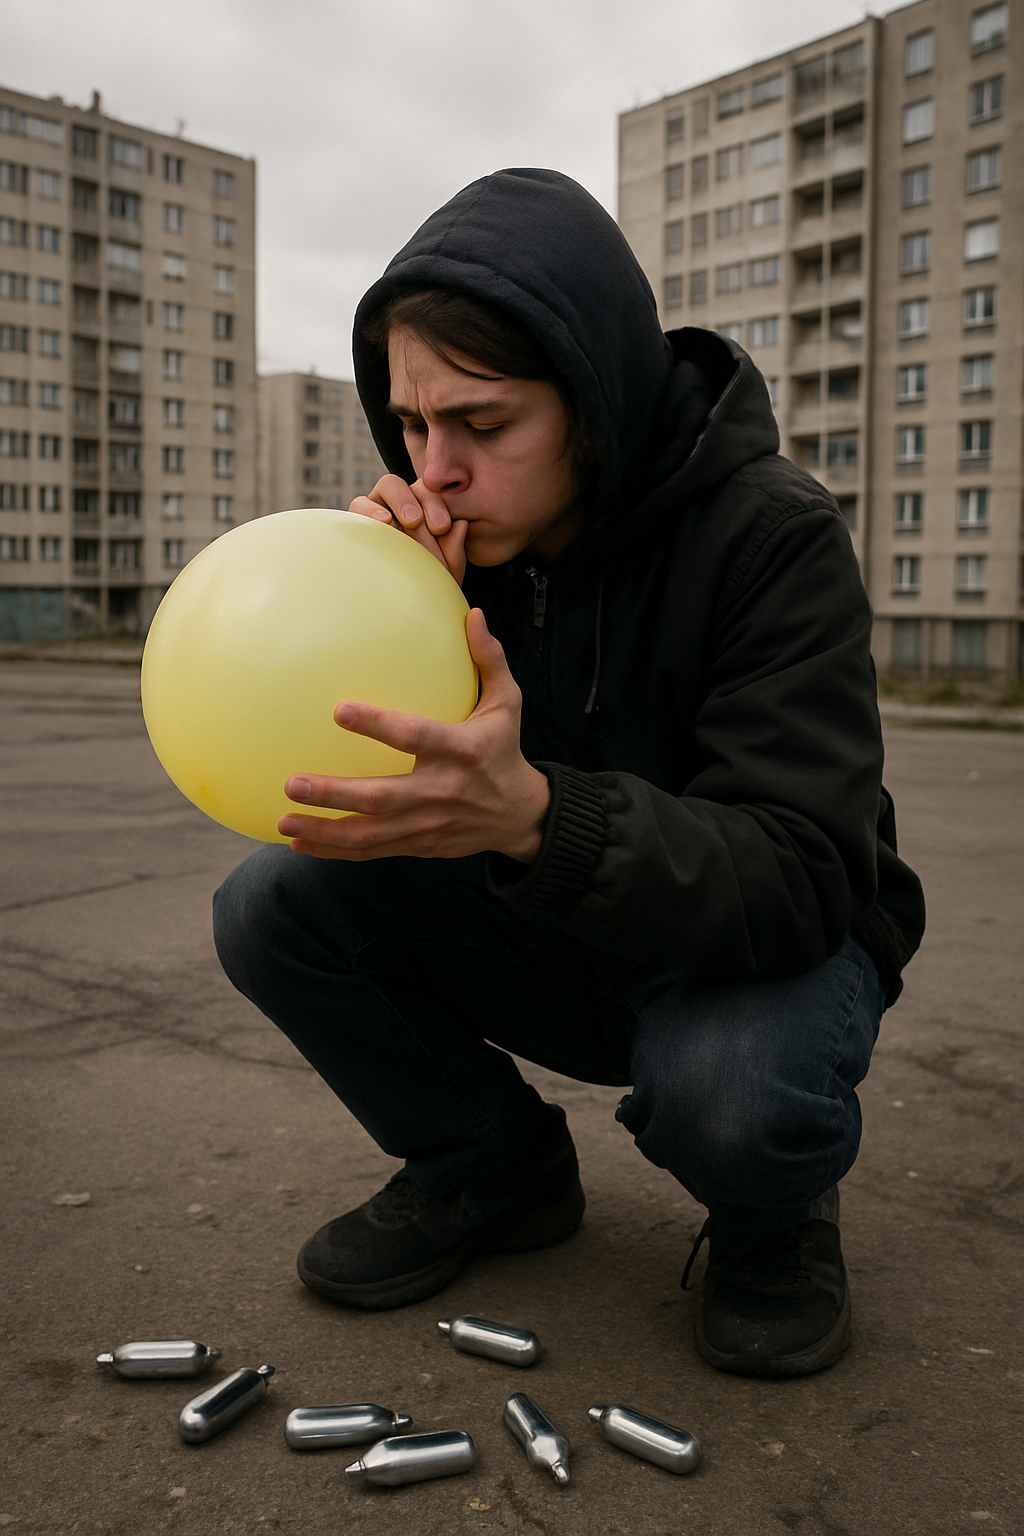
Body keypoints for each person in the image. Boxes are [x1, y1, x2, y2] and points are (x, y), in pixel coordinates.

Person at [213, 168, 924, 1378]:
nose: (433, 469)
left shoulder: (771, 535)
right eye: (411, 425)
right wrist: (384, 617)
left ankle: (772, 1218)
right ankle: (492, 1165)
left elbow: (808, 873)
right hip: (549, 919)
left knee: (732, 1090)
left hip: (749, 952)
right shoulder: (447, 551)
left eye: (480, 426)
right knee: (271, 904)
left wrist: (539, 815)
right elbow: (369, 776)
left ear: (592, 404)